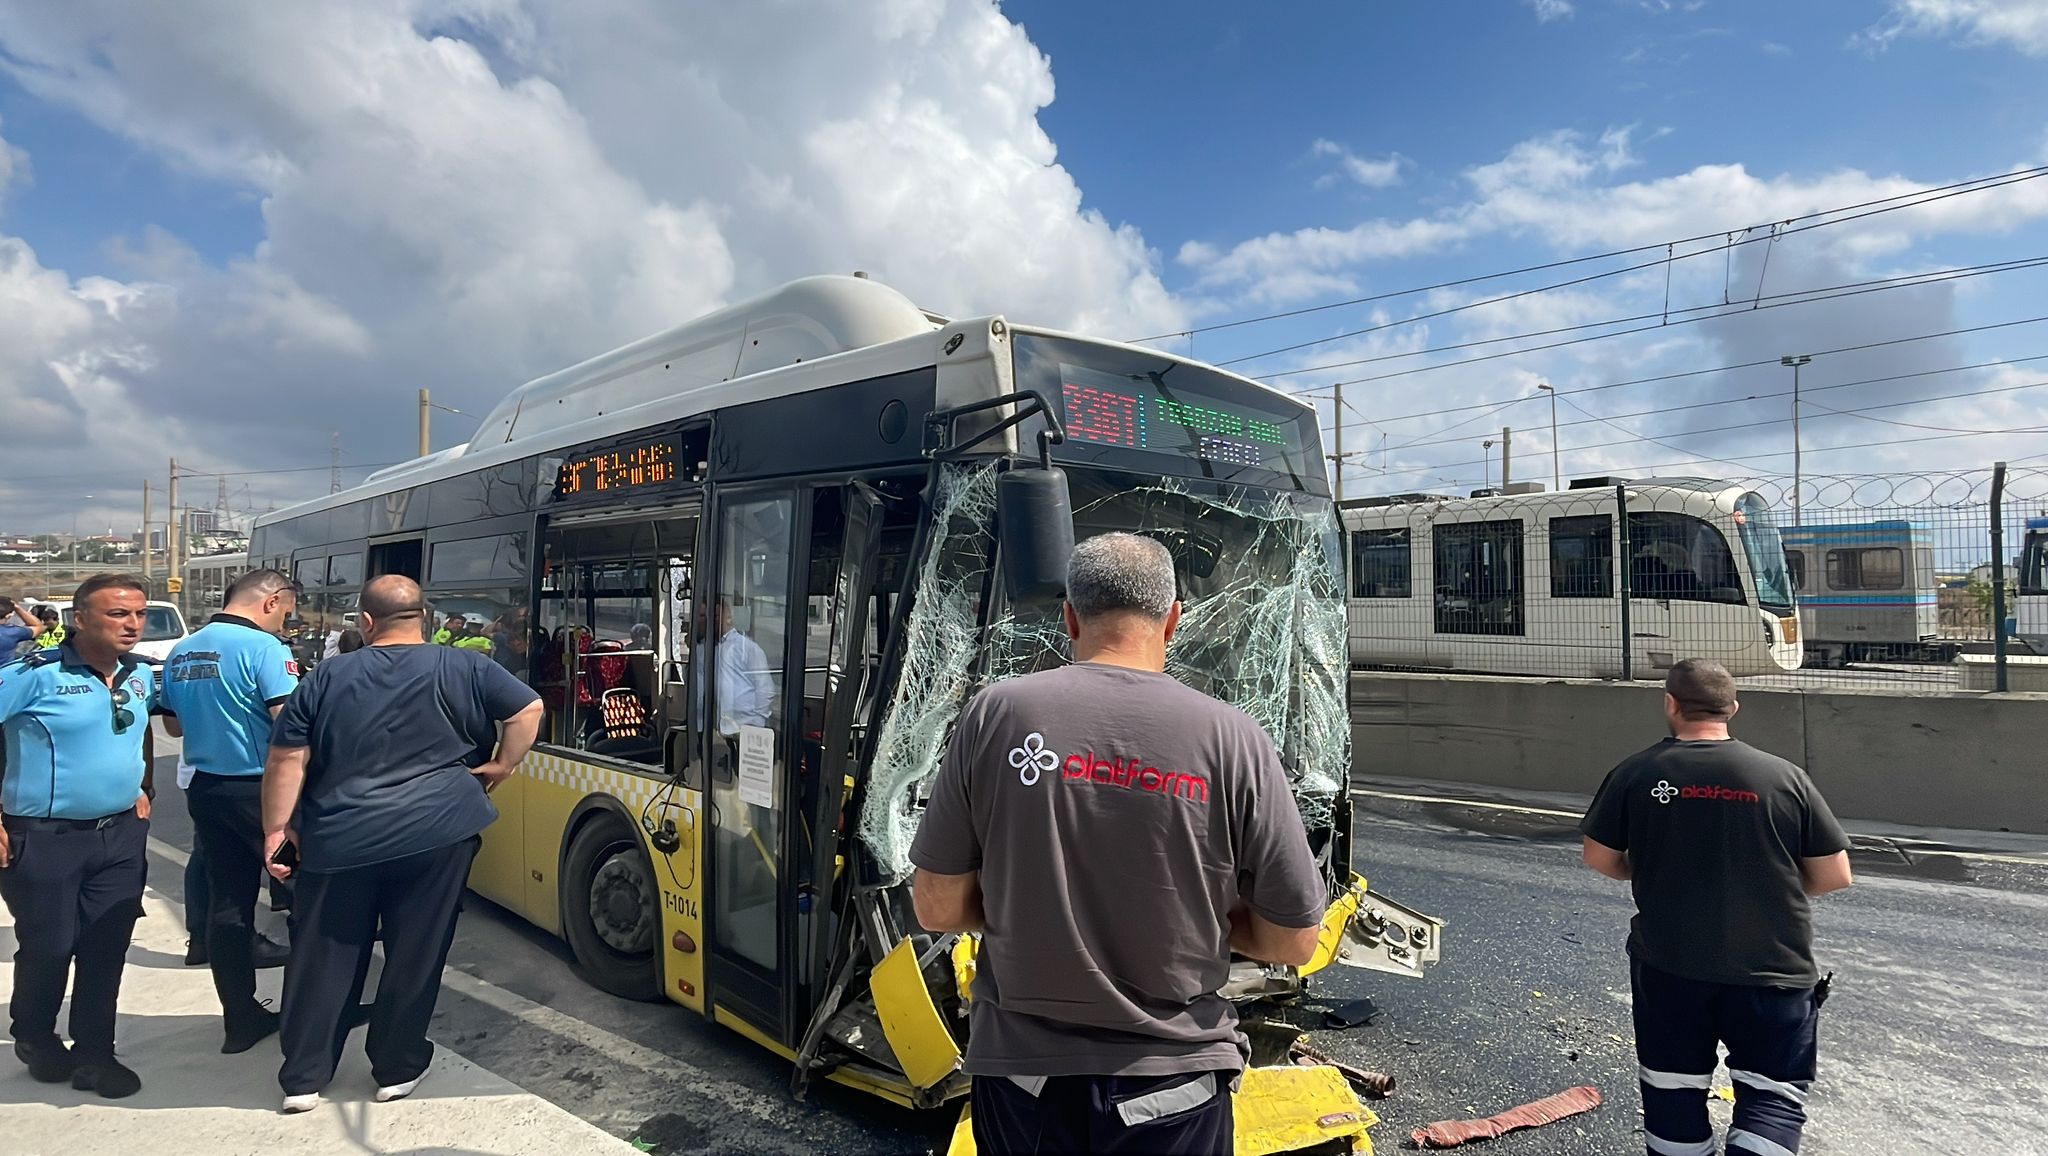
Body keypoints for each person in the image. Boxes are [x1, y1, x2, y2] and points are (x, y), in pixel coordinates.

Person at [909, 533, 1327, 1156]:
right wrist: (1199, 919)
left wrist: (1032, 906)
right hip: (1175, 1088)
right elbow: (1294, 940)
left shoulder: (998, 712)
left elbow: (936, 907)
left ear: (1071, 617)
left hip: (1026, 1082)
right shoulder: (1233, 737)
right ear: (1175, 619)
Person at [263, 575, 541, 1114]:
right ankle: (395, 1066)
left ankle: (304, 1076)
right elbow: (527, 710)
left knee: (326, 953)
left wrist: (278, 830)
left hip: (340, 837)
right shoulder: (466, 666)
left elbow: (286, 759)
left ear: (366, 622)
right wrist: (503, 765)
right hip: (438, 833)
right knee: (416, 951)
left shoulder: (327, 676)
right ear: (426, 618)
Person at [1580, 658, 1854, 1156]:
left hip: (1671, 965)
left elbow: (1600, 858)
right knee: (1772, 1097)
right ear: (1733, 708)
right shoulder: (1784, 777)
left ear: (1670, 704)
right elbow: (1835, 875)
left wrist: (1646, 873)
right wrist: (1766, 890)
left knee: (1673, 1092)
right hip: (1773, 970)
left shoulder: (1637, 772)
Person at [0, 573, 160, 1098]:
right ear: (80, 618)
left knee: (107, 943)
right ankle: (35, 1035)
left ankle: (95, 1053)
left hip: (118, 837)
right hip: (44, 838)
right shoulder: (33, 675)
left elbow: (140, 736)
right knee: (50, 944)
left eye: (138, 613)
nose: (132, 624)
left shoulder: (140, 676)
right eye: (118, 614)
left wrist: (144, 787)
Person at [160, 569, 302, 1053]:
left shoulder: (183, 649)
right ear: (271, 601)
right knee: (308, 897)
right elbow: (289, 726)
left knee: (228, 903)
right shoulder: (265, 650)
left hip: (207, 788)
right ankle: (315, 1014)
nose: (286, 622)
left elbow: (174, 729)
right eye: (286, 611)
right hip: (262, 790)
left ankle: (239, 1018)